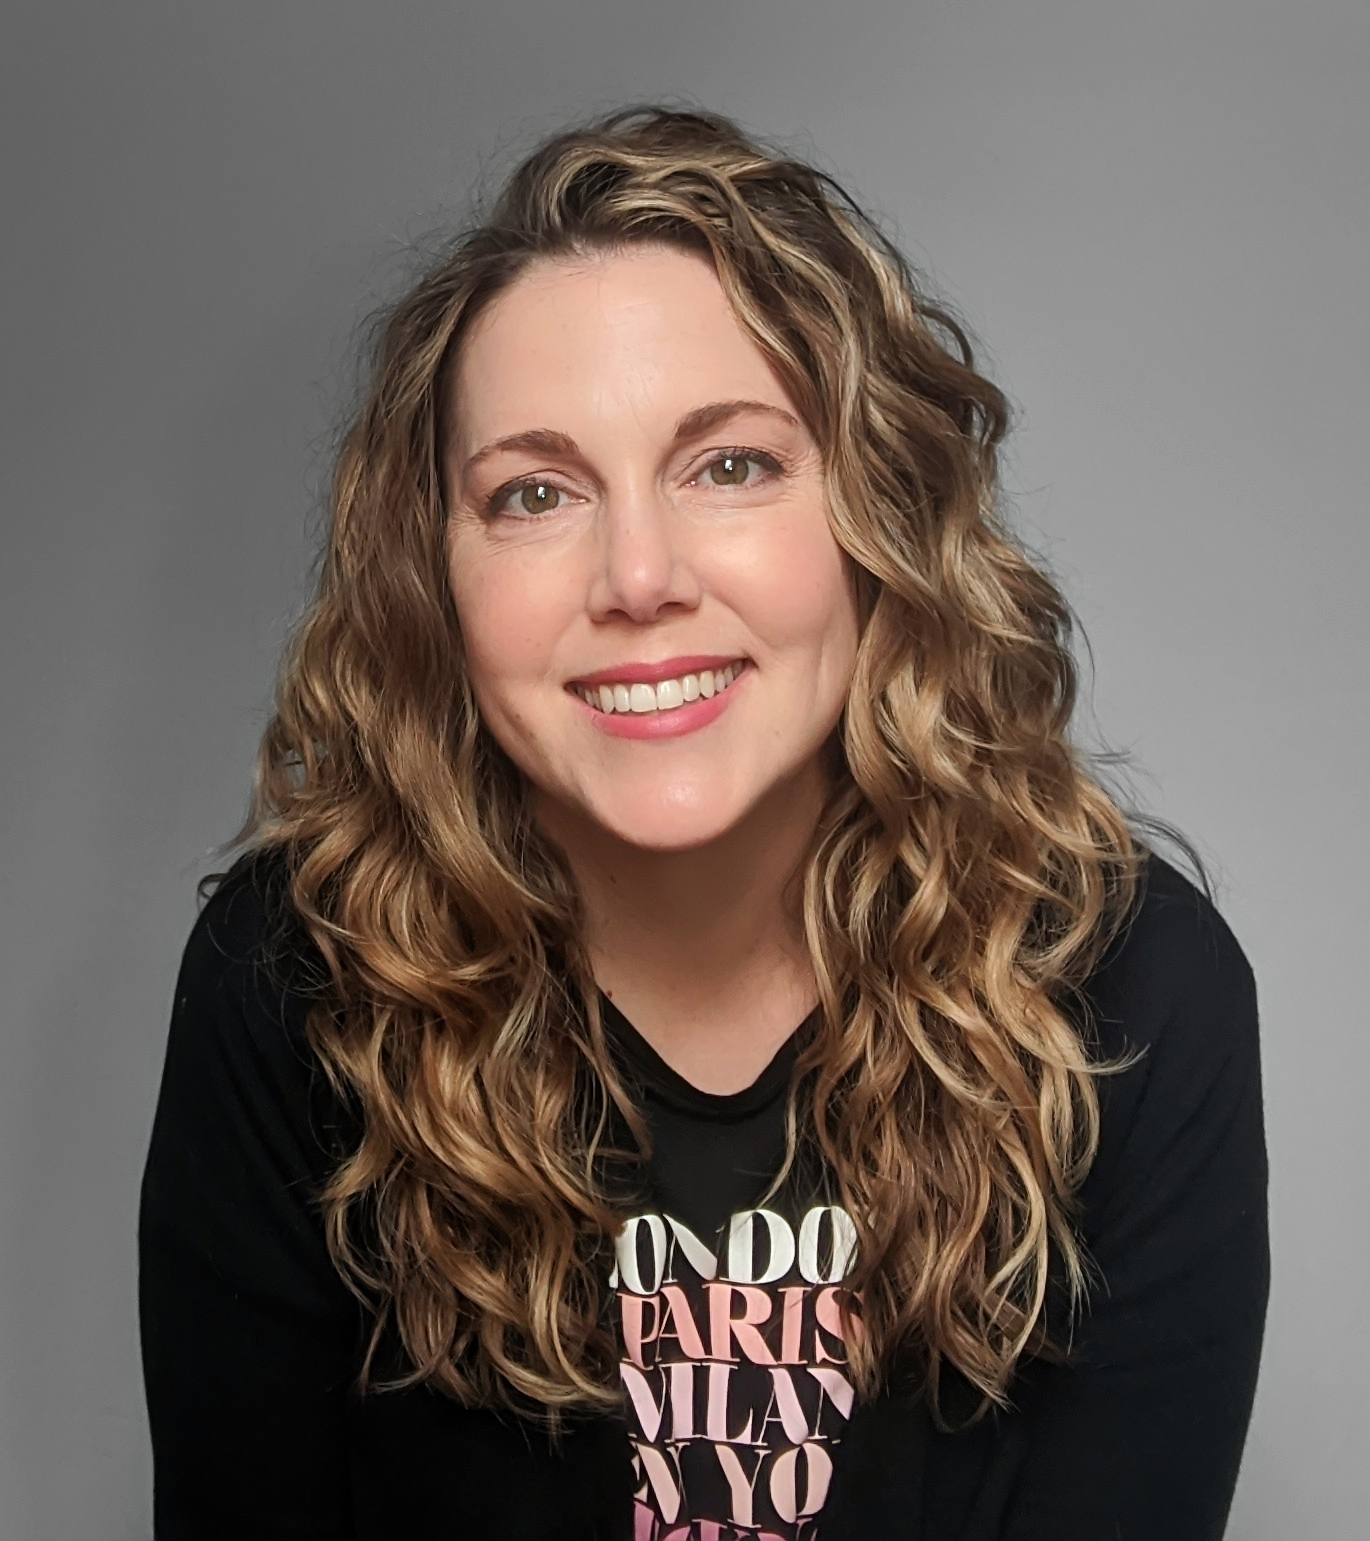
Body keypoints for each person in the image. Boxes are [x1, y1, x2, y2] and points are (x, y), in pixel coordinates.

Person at [138, 105, 1268, 1540]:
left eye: (728, 464)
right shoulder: (294, 985)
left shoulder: (1130, 989)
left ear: (877, 513)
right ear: (436, 575)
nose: (637, 575)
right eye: (533, 492)